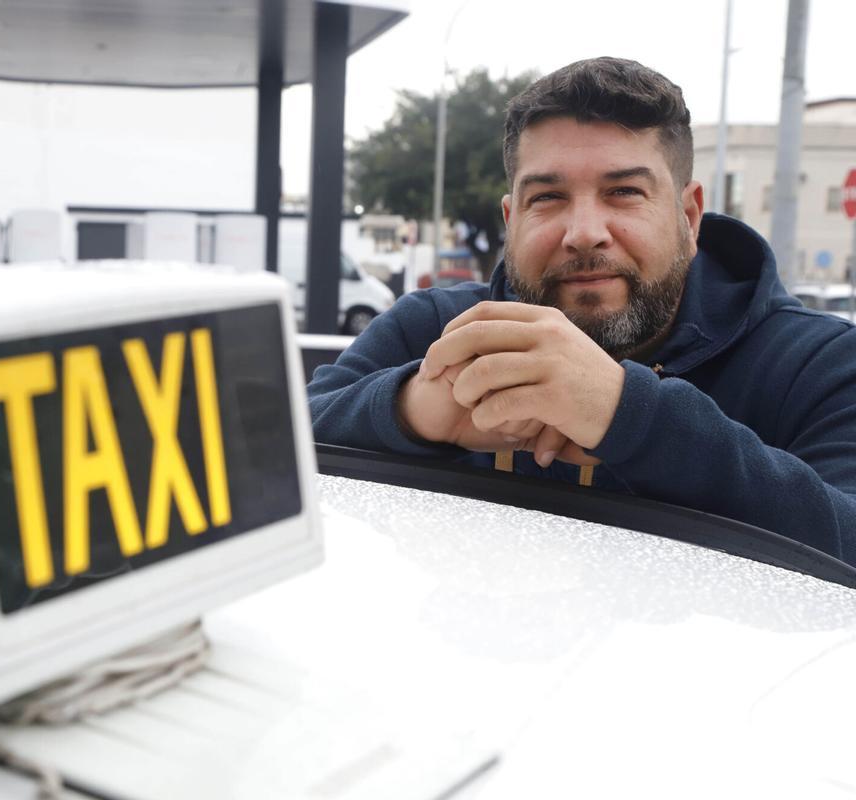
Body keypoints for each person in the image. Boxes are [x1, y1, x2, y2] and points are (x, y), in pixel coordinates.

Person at [308, 56, 856, 565]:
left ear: (689, 217)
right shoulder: (431, 332)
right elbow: (276, 447)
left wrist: (631, 418)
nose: (584, 233)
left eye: (623, 192)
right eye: (546, 198)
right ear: (511, 221)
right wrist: (408, 411)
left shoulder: (821, 365)